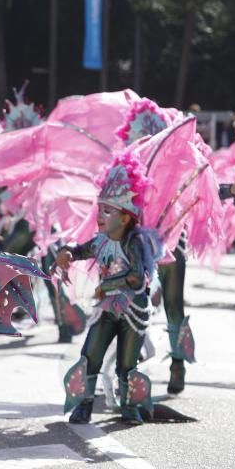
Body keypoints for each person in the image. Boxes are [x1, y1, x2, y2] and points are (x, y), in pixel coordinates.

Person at [57, 153, 164, 426]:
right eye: (99, 209)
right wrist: (67, 252)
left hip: (134, 312)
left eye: (108, 211)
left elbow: (138, 279)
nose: (100, 216)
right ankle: (85, 405)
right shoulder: (102, 240)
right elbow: (81, 250)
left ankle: (129, 407)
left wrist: (107, 285)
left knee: (126, 364)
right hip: (108, 309)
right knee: (91, 352)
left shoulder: (135, 241)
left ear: (126, 217)